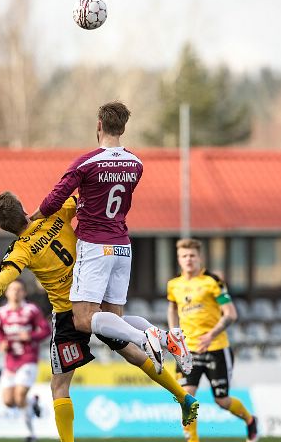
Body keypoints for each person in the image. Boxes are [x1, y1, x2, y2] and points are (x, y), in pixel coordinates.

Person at [0, 191, 199, 442]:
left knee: (59, 385)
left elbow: (1, 284)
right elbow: (83, 197)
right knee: (129, 347)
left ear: (3, 227)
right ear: (22, 208)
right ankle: (182, 395)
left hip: (67, 315)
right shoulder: (53, 214)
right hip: (92, 297)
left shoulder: (19, 250)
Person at [30, 101, 191, 376]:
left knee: (82, 319)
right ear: (124, 128)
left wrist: (32, 218)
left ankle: (146, 338)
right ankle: (165, 338)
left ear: (99, 125)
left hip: (95, 245)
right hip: (122, 245)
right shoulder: (136, 164)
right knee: (112, 320)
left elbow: (55, 199)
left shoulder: (86, 163)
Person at [167, 238, 259, 442]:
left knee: (222, 401)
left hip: (217, 348)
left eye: (192, 256)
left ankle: (249, 419)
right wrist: (173, 332)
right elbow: (172, 307)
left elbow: (231, 314)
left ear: (199, 258)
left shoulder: (212, 282)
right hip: (188, 351)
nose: (188, 260)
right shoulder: (174, 285)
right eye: (184, 256)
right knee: (186, 398)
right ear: (179, 259)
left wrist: (211, 334)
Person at [0, 279, 51, 442]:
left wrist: (32, 337)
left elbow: (46, 330)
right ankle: (33, 401)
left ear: (24, 293)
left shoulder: (31, 310)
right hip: (10, 361)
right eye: (12, 289)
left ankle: (31, 434)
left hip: (28, 359)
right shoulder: (1, 313)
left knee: (19, 396)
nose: (15, 292)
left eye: (19, 289)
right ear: (7, 292)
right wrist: (1, 344)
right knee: (8, 401)